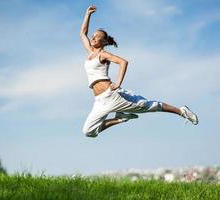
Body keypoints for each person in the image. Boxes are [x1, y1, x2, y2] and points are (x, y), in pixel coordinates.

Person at [80, 5, 198, 138]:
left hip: (111, 96)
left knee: (147, 106)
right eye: (93, 36)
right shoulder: (90, 53)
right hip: (99, 100)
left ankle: (181, 111)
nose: (93, 38)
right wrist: (88, 14)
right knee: (88, 131)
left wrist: (118, 83)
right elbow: (82, 33)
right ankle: (120, 118)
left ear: (104, 41)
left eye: (97, 37)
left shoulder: (104, 54)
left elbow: (123, 62)